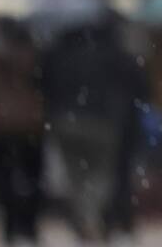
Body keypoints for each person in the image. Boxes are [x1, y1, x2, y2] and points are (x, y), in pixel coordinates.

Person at [41, 15, 146, 242]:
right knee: (101, 174)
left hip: (66, 120)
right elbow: (136, 83)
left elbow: (45, 82)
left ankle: (84, 214)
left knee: (76, 174)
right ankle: (92, 213)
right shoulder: (112, 54)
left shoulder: (60, 53)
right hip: (102, 121)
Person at [0, 18, 44, 244]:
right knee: (32, 178)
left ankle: (11, 227)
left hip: (1, 124)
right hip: (32, 124)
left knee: (4, 179)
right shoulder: (35, 59)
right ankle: (27, 226)